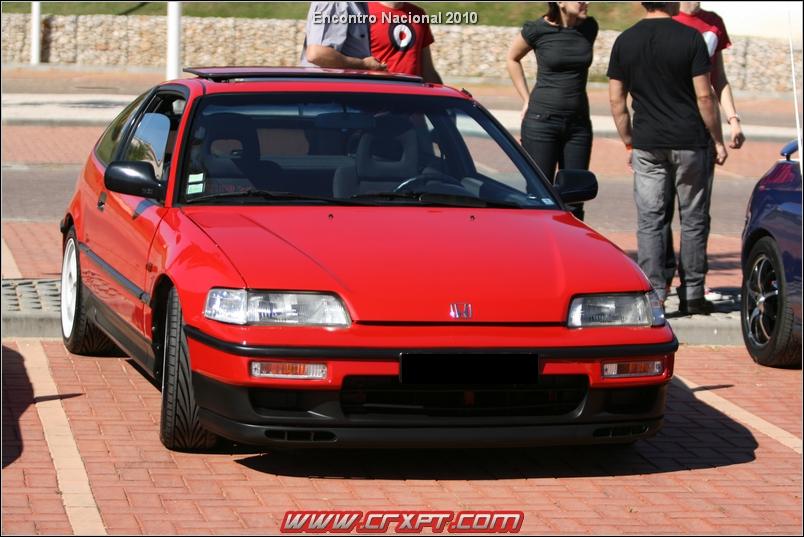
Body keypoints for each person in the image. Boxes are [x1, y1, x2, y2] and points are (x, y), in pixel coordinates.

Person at [607, 2, 727, 315]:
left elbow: (617, 100)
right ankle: (693, 293)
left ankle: (655, 294)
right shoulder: (690, 38)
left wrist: (629, 141)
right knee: (693, 218)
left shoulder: (625, 40)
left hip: (647, 142)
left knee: (651, 220)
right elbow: (704, 96)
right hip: (690, 140)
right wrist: (717, 139)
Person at [664, 1, 746, 303]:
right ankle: (661, 281)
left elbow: (718, 78)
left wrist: (732, 120)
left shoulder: (713, 23)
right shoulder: (665, 18)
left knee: (697, 214)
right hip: (665, 125)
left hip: (702, 127)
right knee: (660, 212)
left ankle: (694, 284)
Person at [506, 2, 598, 220]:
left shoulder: (589, 27)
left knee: (575, 198)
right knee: (539, 198)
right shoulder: (537, 29)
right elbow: (512, 58)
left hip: (579, 126)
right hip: (541, 123)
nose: (586, 2)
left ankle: (571, 243)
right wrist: (526, 99)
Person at [366, 2, 443, 83]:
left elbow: (428, 70)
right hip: (378, 87)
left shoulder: (419, 15)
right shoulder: (364, 13)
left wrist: (442, 90)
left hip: (412, 88)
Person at [300, 2, 387, 71]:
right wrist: (363, 64)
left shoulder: (358, 4)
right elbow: (317, 54)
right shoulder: (336, 3)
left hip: (343, 84)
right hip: (328, 85)